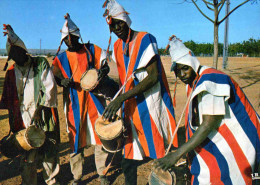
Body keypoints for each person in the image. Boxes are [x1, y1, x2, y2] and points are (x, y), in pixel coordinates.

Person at [154, 35, 260, 184]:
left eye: (185, 68)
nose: (182, 74)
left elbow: (209, 123)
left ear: (193, 64)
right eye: (177, 71)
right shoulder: (193, 82)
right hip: (221, 139)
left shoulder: (210, 80)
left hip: (243, 140)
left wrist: (177, 154)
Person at [102, 1, 178, 184]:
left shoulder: (145, 39)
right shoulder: (118, 47)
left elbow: (153, 77)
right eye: (113, 26)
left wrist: (121, 98)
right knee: (129, 158)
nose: (117, 28)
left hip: (151, 104)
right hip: (131, 106)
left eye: (119, 23)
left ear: (127, 21)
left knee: (158, 152)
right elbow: (123, 80)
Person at [52, 14, 113, 185]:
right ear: (63, 40)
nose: (69, 42)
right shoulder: (61, 58)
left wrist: (103, 71)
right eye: (66, 39)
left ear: (78, 35)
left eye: (72, 38)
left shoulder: (91, 49)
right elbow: (55, 75)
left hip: (95, 100)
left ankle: (102, 173)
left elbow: (104, 63)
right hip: (73, 103)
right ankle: (77, 176)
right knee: (75, 139)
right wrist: (61, 81)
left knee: (101, 135)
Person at [0, 24, 60, 185]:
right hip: (22, 118)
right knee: (27, 155)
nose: (16, 57)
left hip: (43, 113)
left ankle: (51, 180)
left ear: (23, 50)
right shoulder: (12, 72)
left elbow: (50, 88)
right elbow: (8, 99)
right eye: (12, 54)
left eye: (17, 52)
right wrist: (12, 122)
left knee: (48, 151)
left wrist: (40, 109)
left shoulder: (40, 63)